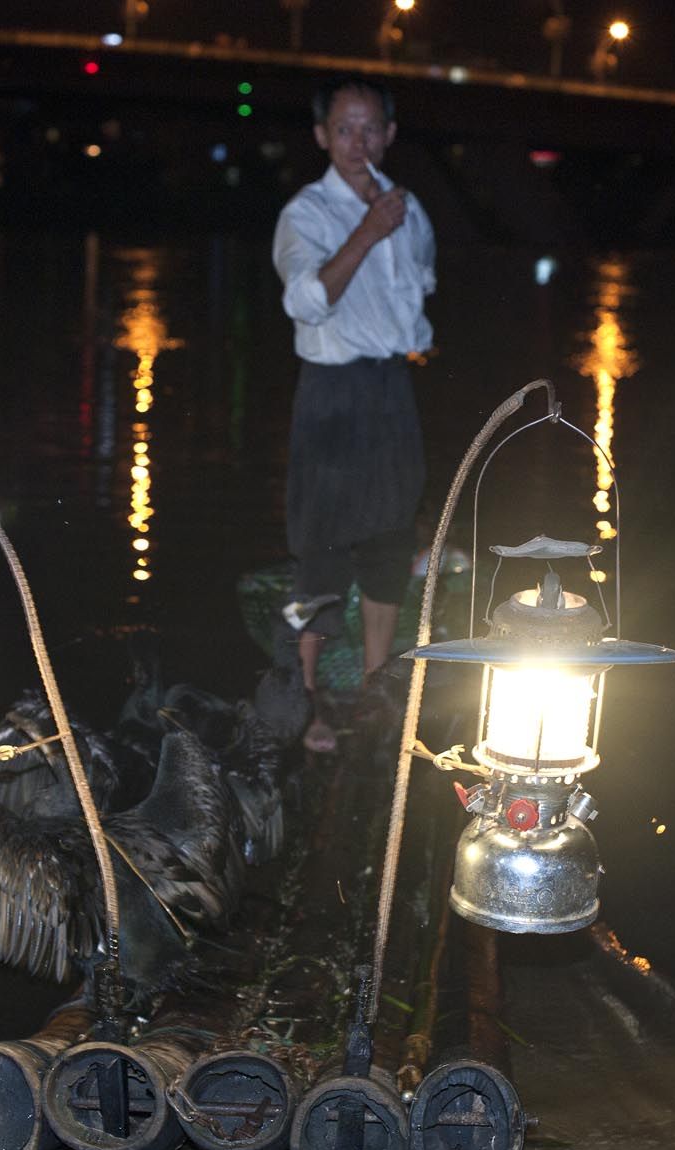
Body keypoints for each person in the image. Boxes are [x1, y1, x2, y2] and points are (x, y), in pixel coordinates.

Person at [272, 77, 435, 753]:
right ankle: (307, 700)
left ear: (389, 135)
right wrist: (369, 231)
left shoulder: (411, 210)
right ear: (321, 136)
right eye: (344, 129)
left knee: (390, 541)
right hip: (331, 394)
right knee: (322, 544)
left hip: (390, 388)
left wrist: (414, 338)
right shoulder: (305, 213)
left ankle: (374, 689)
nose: (358, 143)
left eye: (371, 129)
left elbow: (417, 291)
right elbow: (307, 301)